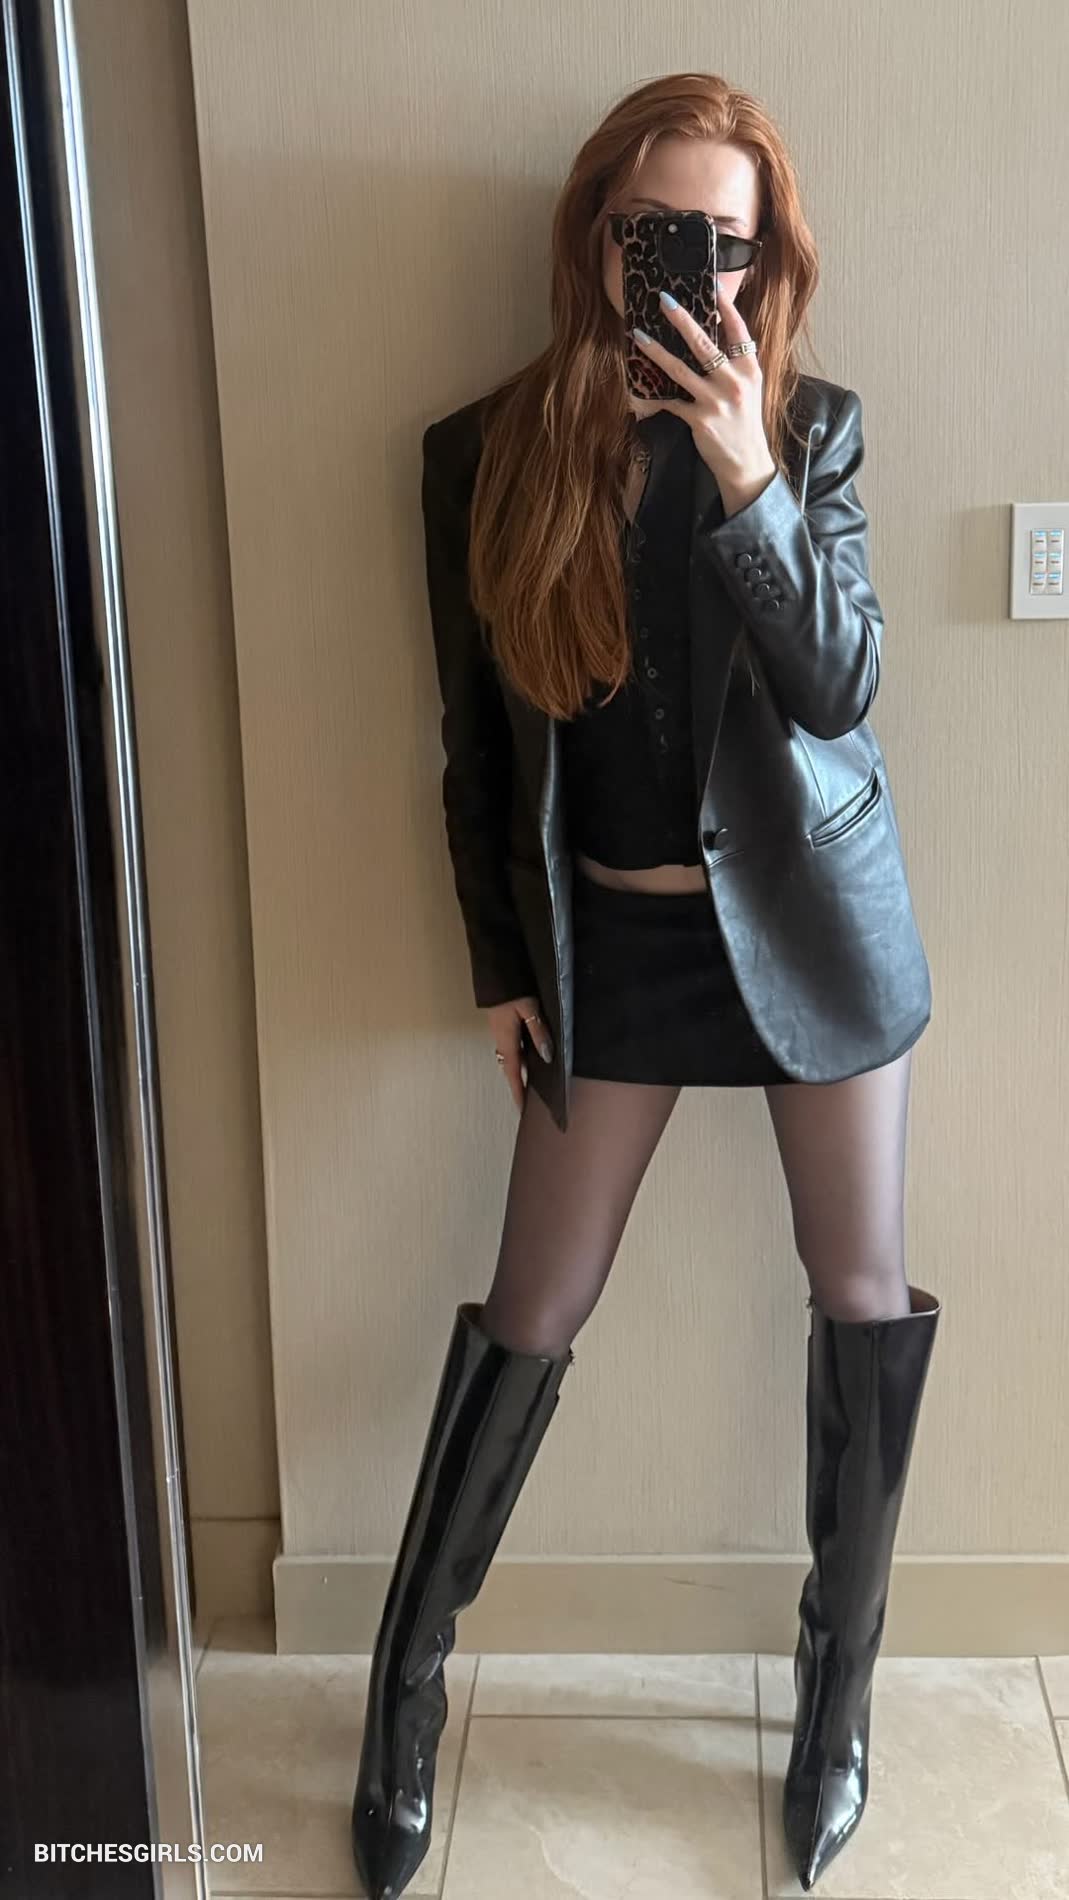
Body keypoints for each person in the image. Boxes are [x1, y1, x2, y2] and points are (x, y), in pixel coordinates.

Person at [351, 70, 942, 1900]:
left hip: (814, 933)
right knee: (533, 1305)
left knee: (858, 1299)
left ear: (766, 259)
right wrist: (498, 967)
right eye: (656, 231)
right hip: (605, 947)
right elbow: (470, 752)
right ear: (597, 235)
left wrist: (749, 471)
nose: (693, 267)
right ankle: (404, 1689)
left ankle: (833, 1702)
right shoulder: (481, 453)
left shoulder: (812, 432)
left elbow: (839, 689)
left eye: (726, 242)